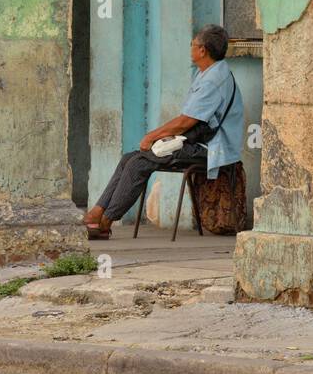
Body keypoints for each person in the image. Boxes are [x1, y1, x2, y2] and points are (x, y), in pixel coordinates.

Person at [83, 24, 245, 239]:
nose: (190, 48)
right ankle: (98, 211)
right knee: (128, 158)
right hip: (197, 142)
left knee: (139, 164)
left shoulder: (214, 80)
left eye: (192, 45)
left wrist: (152, 136)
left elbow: (186, 121)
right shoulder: (207, 72)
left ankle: (106, 221)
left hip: (211, 149)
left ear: (202, 50)